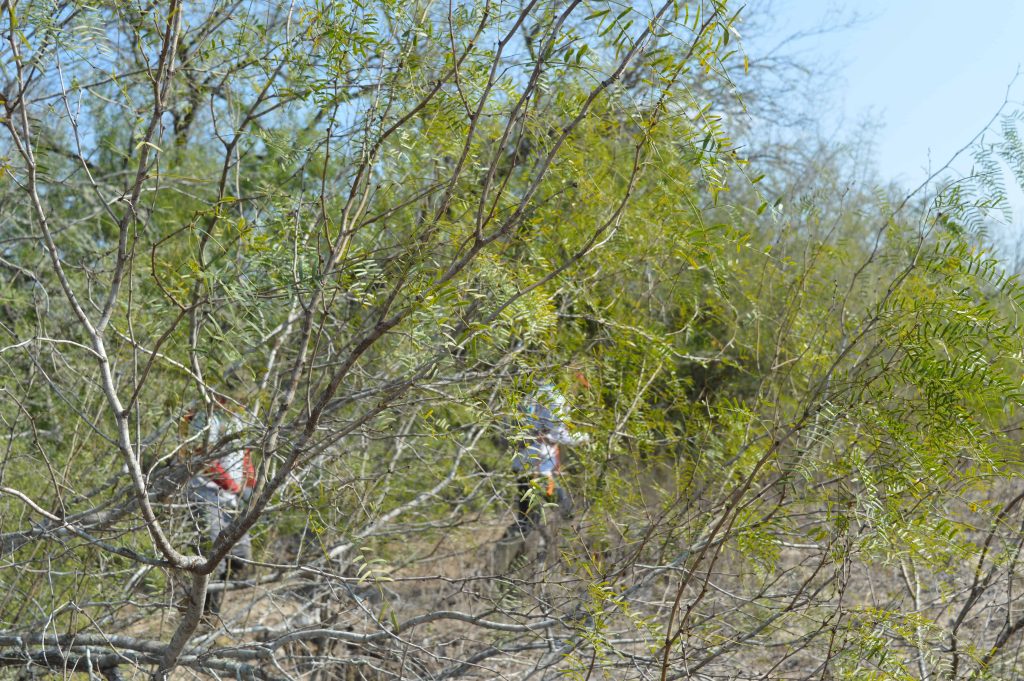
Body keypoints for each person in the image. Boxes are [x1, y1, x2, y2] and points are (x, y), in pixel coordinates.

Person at [183, 393, 256, 614]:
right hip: (204, 494)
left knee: (241, 558)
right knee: (213, 563)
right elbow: (202, 457)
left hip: (229, 499)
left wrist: (252, 488)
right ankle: (204, 615)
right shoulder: (206, 419)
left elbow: (245, 458)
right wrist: (231, 485)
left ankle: (200, 603)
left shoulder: (239, 419)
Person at [509, 378, 588, 535]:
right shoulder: (555, 398)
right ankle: (566, 538)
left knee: (528, 516)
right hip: (537, 463)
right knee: (562, 507)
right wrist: (583, 437)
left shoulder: (538, 392)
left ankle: (525, 542)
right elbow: (558, 433)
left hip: (523, 461)